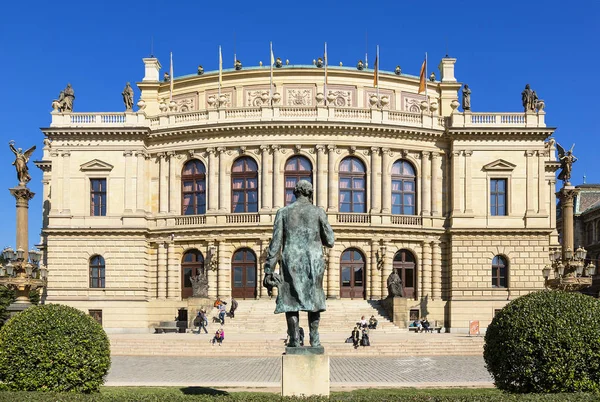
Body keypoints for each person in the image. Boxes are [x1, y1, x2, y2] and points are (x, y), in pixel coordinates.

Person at [263, 180, 335, 348]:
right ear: (310, 193)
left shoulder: (283, 213)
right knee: (314, 301)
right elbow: (330, 240)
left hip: (291, 263)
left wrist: (269, 270)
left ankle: (294, 340)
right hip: (313, 262)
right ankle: (315, 340)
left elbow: (275, 244)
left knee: (291, 302)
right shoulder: (318, 212)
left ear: (295, 193)